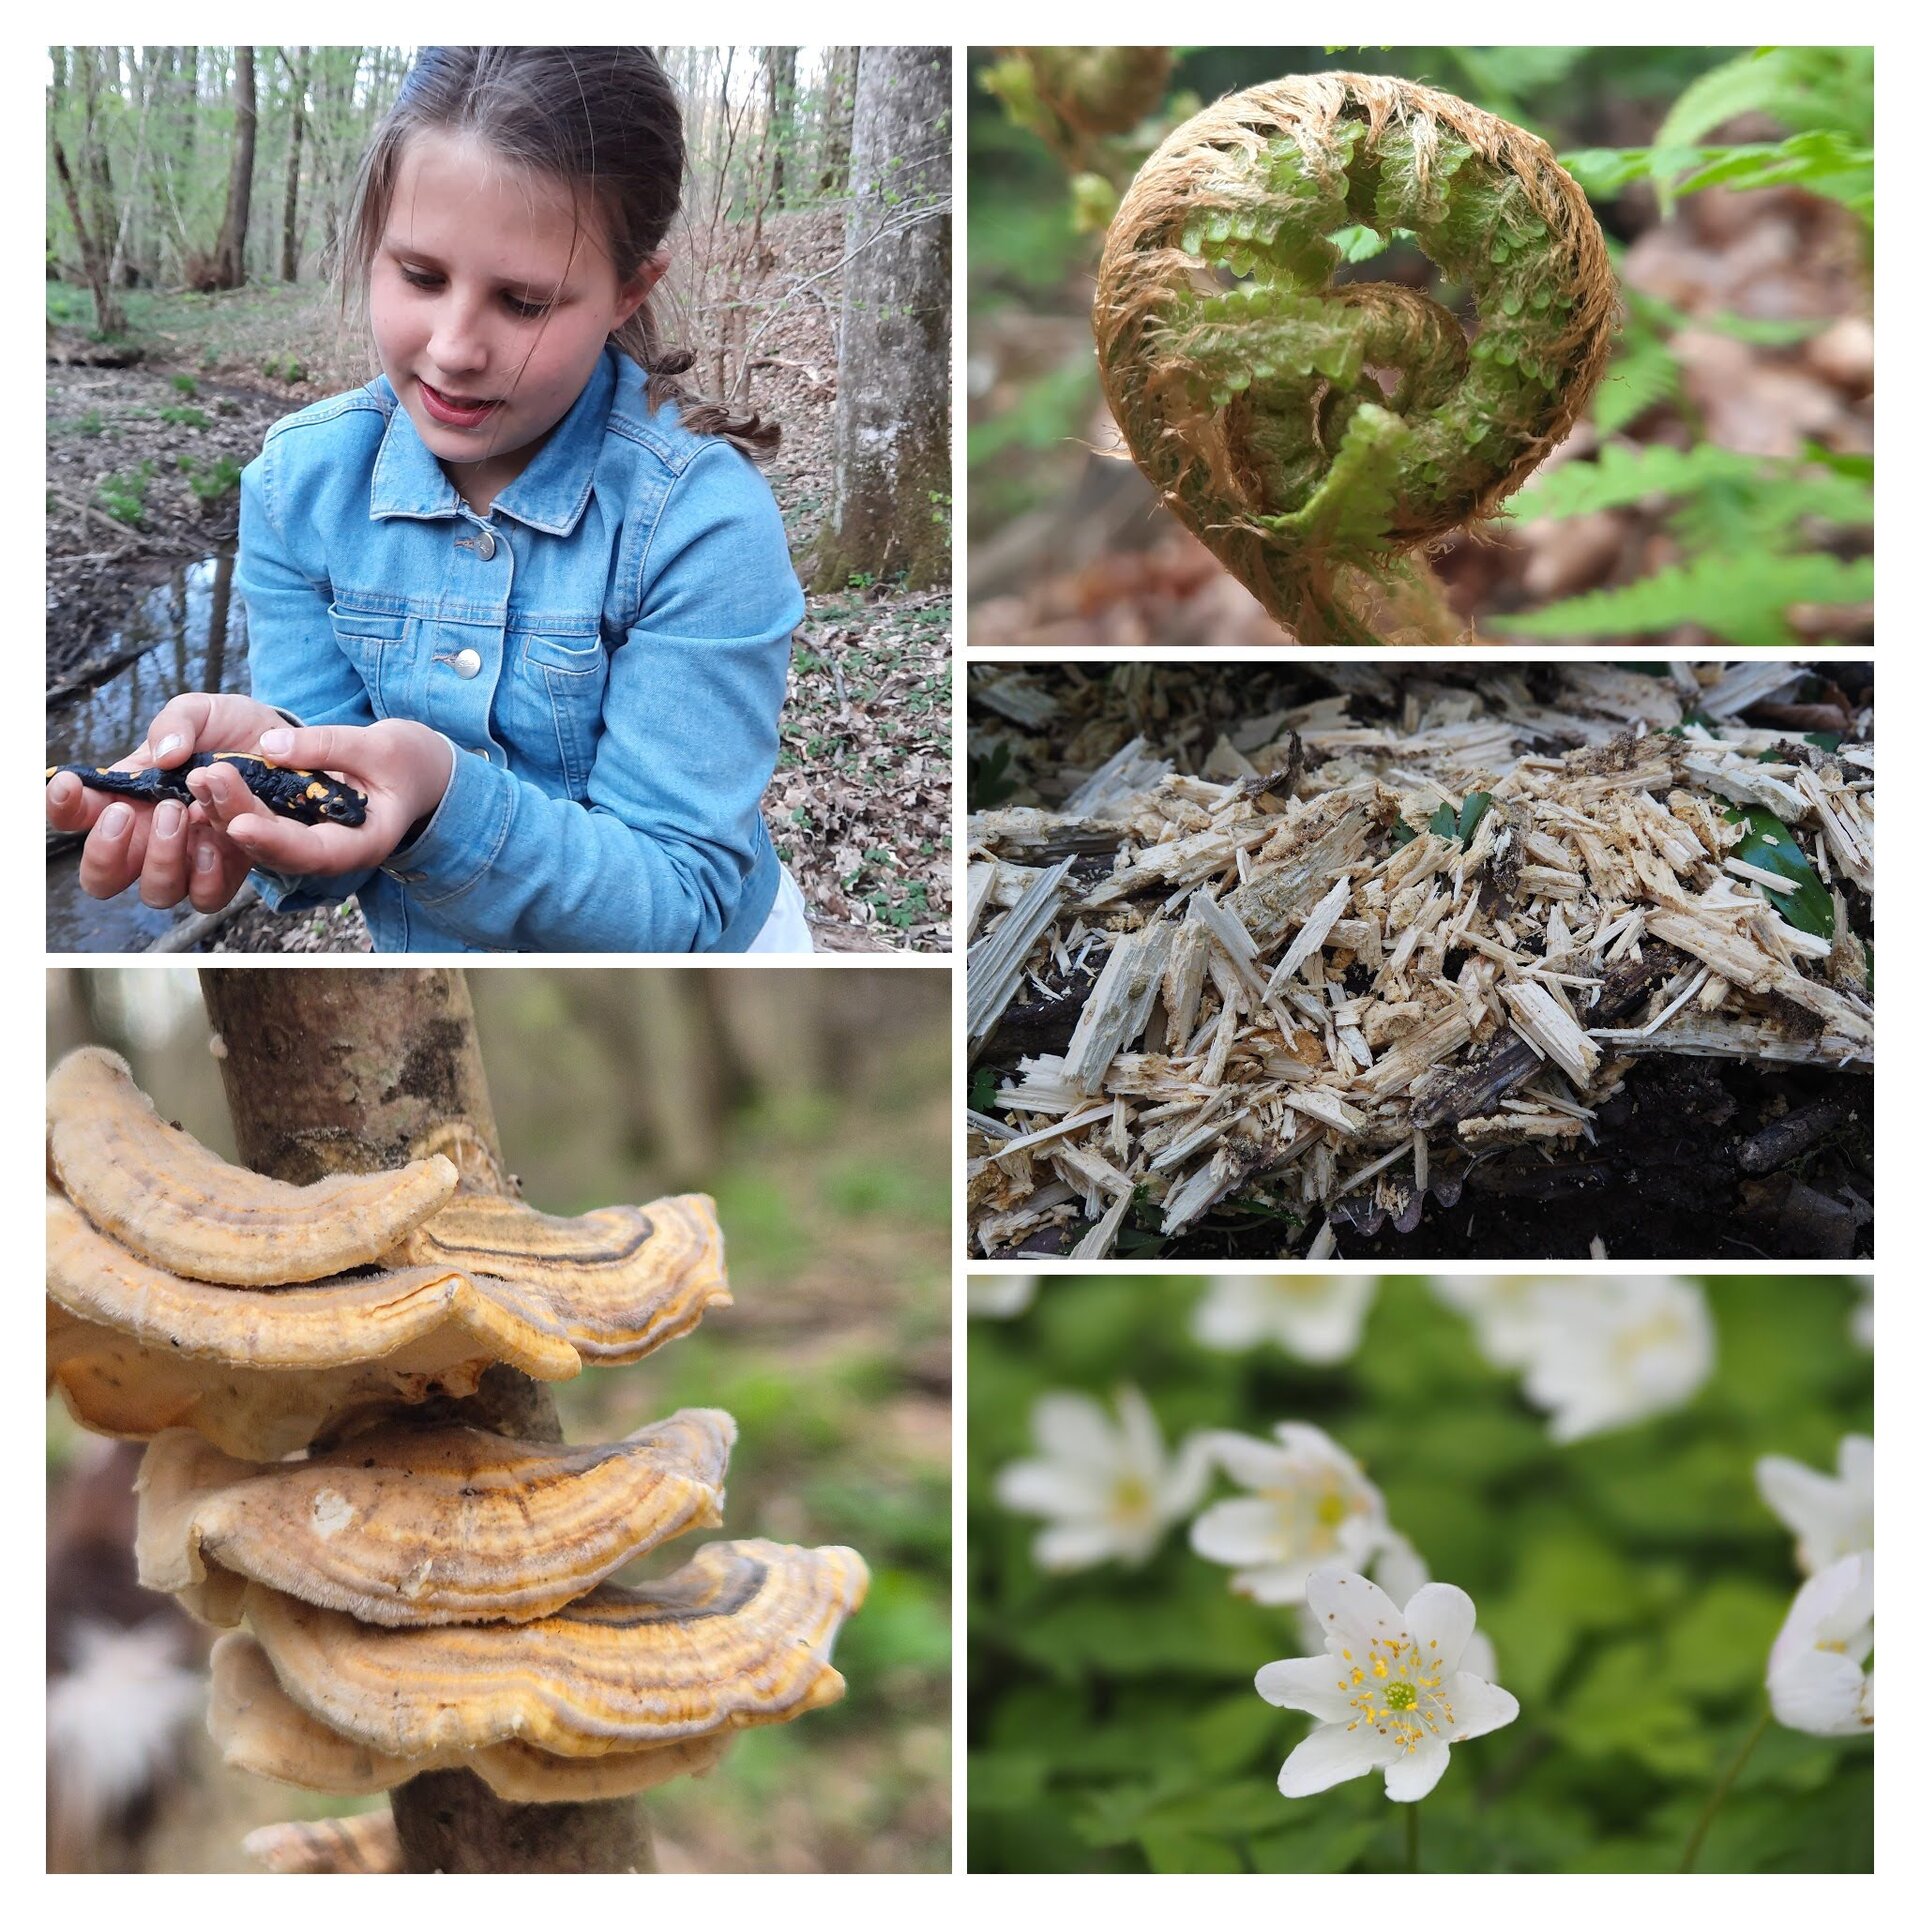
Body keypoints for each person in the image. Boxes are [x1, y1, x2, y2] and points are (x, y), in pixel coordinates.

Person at [46, 46, 810, 952]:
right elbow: (338, 839)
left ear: (629, 291)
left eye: (524, 302)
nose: (453, 348)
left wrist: (438, 797)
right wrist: (266, 773)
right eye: (419, 276)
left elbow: (682, 900)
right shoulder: (299, 486)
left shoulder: (700, 524)